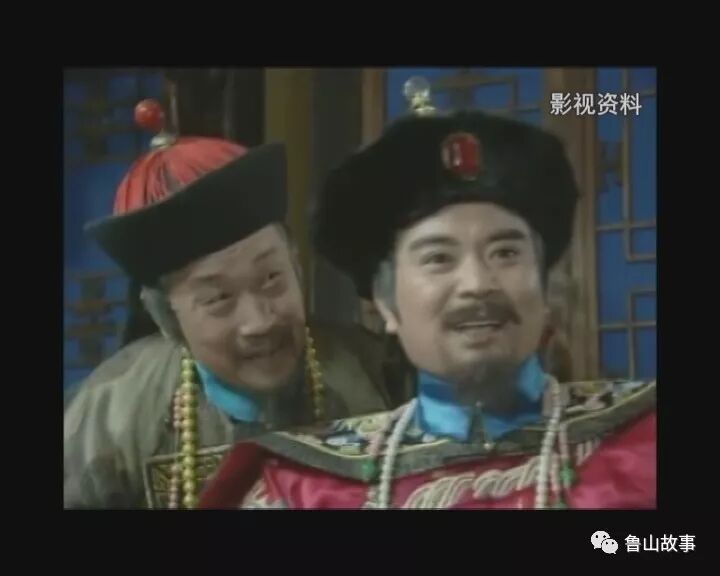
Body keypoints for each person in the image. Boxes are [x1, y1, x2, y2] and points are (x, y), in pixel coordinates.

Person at [198, 78, 656, 509]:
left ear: (543, 287)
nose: (478, 283)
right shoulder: (300, 488)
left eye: (505, 253)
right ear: (386, 304)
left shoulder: (643, 445)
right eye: (438, 258)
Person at [64, 99, 396, 509]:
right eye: (219, 298)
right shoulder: (109, 418)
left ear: (296, 264)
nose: (259, 321)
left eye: (272, 278)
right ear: (169, 318)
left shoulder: (375, 374)